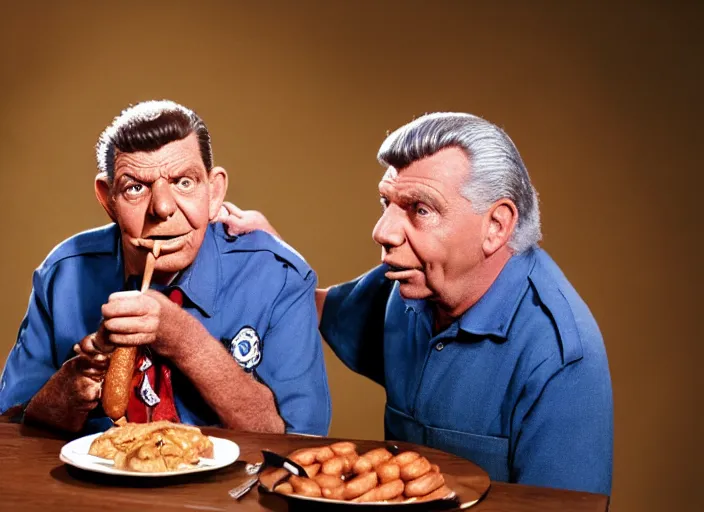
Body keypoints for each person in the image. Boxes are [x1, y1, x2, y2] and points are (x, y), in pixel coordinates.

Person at [218, 112, 613, 494]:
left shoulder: (561, 358)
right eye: (385, 203)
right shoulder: (412, 285)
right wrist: (273, 255)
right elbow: (310, 307)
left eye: (420, 210)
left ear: (495, 226)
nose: (382, 231)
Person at [0, 100, 331, 436]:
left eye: (184, 182)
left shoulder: (279, 276)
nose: (162, 207)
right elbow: (10, 426)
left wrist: (183, 339)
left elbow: (300, 440)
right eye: (135, 188)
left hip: (228, 489)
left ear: (214, 191)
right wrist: (69, 388)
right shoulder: (63, 274)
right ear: (107, 198)